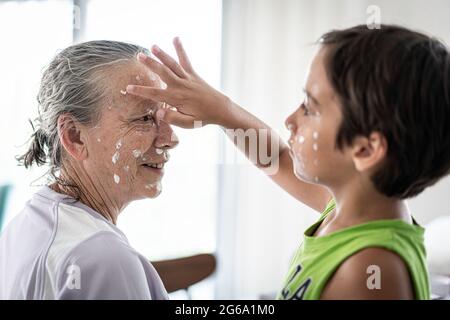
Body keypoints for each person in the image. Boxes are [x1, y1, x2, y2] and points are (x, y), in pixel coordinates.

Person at [126, 24, 450, 299]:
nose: (290, 119)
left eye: (310, 107)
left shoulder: (368, 269)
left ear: (365, 150)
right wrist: (219, 111)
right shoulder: (348, 207)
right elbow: (277, 158)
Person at [0, 40, 178, 299]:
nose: (170, 138)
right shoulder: (105, 260)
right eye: (145, 118)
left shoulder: (22, 228)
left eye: (167, 117)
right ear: (74, 136)